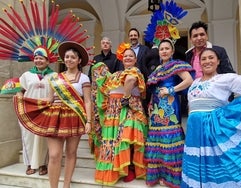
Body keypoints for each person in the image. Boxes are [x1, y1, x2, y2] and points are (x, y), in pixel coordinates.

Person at [181, 48, 241, 188]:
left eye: (211, 58)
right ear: (199, 62)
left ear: (218, 61)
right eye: (203, 59)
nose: (207, 61)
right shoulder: (195, 83)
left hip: (213, 129)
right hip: (194, 131)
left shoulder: (225, 78)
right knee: (197, 163)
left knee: (217, 162)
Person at [14, 41, 92, 188]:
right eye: (67, 57)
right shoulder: (55, 77)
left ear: (79, 60)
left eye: (72, 57)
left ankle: (66, 185)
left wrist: (88, 121)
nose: (69, 60)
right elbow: (49, 99)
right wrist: (25, 100)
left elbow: (87, 101)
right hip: (55, 117)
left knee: (70, 153)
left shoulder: (84, 78)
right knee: (54, 155)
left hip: (74, 116)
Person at [94, 43, 148, 185]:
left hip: (127, 107)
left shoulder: (135, 71)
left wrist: (126, 96)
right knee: (117, 140)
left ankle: (129, 168)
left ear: (135, 60)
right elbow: (105, 87)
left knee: (126, 136)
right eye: (125, 56)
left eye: (131, 56)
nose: (128, 58)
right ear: (121, 59)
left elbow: (130, 80)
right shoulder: (117, 74)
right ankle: (120, 169)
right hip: (114, 109)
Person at [145, 38, 194, 188]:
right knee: (157, 138)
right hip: (155, 107)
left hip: (170, 106)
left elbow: (189, 80)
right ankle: (159, 174)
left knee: (169, 137)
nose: (164, 51)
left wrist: (171, 90)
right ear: (158, 52)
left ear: (172, 51)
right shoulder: (158, 69)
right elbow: (153, 88)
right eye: (162, 49)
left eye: (167, 48)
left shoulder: (176, 65)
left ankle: (171, 177)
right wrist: (150, 103)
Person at [18, 47, 54, 176]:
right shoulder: (26, 75)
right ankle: (30, 164)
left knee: (43, 138)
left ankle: (43, 164)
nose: (38, 60)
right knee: (29, 138)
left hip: (46, 112)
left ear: (47, 61)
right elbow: (20, 91)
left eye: (41, 58)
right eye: (36, 58)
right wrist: (20, 99)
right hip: (29, 112)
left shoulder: (53, 76)